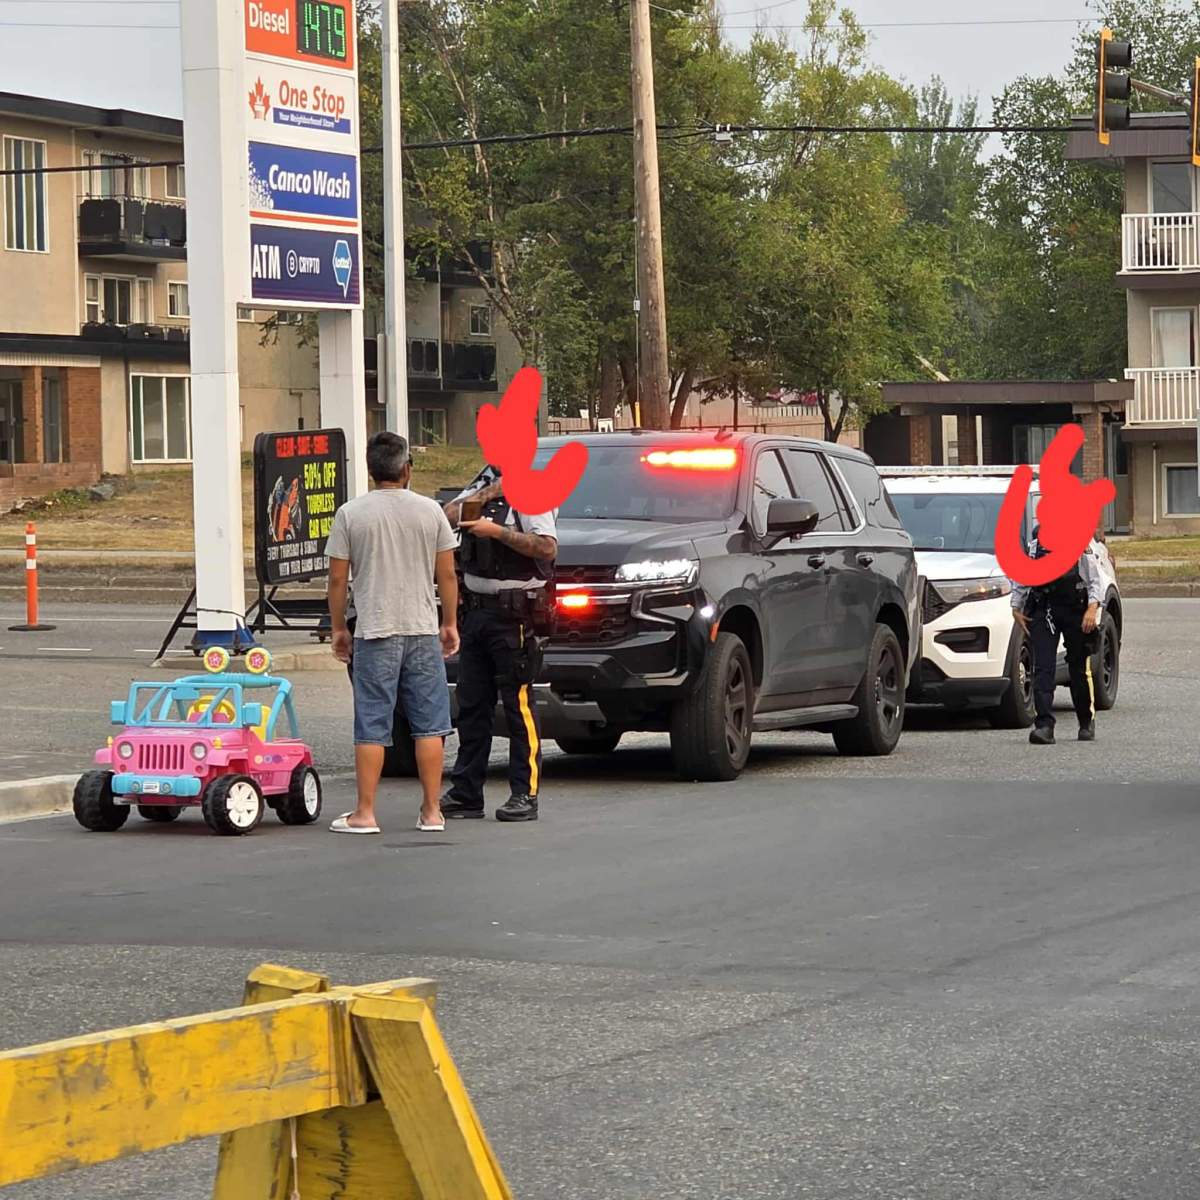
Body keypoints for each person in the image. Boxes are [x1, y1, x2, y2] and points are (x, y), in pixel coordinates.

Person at [326, 432, 460, 833]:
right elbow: (448, 573)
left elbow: (337, 579)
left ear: (371, 471)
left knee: (372, 722)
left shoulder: (351, 514)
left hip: (375, 629)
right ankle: (432, 810)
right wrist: (449, 622)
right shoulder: (430, 512)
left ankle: (365, 812)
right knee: (430, 723)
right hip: (421, 628)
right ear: (406, 469)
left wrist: (337, 628)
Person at [440, 466, 557, 822]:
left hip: (513, 616)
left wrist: (499, 533)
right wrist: (487, 493)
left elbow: (547, 548)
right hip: (476, 613)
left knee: (518, 706)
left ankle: (525, 793)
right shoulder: (484, 482)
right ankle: (466, 792)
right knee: (472, 706)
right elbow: (447, 515)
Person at [1011, 524, 1105, 745]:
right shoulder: (1036, 547)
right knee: (1043, 667)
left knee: (1078, 667)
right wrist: (1016, 607)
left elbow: (1094, 580)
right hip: (1045, 611)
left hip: (1075, 611)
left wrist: (1092, 609)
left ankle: (1085, 721)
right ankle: (1044, 726)